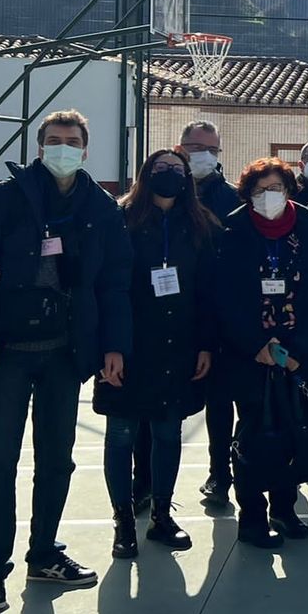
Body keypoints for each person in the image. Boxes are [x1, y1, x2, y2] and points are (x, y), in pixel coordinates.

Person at [0, 110, 131, 612]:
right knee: (0, 461)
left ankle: (43, 555)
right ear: (39, 147)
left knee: (57, 460)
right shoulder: (3, 198)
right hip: (8, 354)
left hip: (65, 353)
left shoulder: (100, 206)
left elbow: (113, 282)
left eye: (73, 141)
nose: (64, 148)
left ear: (86, 150)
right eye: (55, 140)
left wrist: (113, 344)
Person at [95, 150, 219, 558]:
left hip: (177, 345)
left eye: (177, 171)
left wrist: (204, 343)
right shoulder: (120, 218)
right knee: (121, 435)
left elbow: (207, 290)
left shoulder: (199, 224)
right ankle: (123, 520)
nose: (169, 176)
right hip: (129, 346)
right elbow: (107, 286)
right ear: (146, 174)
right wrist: (111, 346)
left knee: (168, 433)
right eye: (161, 169)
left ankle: (161, 515)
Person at [215, 158, 308, 548]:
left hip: (295, 350)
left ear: (289, 190)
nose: (270, 196)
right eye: (261, 189)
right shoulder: (231, 230)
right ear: (249, 194)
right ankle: (251, 517)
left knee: (290, 431)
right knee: (252, 434)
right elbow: (223, 297)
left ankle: (284, 509)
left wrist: (299, 349)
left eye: (277, 188)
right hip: (249, 352)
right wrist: (256, 345)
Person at [178, 120, 243, 508]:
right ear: (179, 147)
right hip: (169, 316)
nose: (202, 155)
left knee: (221, 404)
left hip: (217, 318)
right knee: (162, 406)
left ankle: (221, 474)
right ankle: (147, 482)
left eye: (211, 150)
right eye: (194, 147)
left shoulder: (232, 198)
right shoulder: (160, 192)